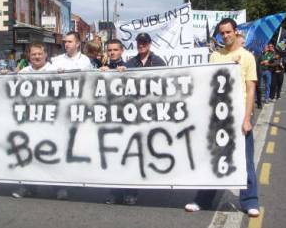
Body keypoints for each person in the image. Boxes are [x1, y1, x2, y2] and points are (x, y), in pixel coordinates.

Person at [184, 18, 260, 218]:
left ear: (236, 32)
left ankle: (250, 201)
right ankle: (202, 199)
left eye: (228, 32)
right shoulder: (215, 56)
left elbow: (251, 89)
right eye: (222, 33)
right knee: (212, 158)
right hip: (218, 117)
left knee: (245, 161)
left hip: (239, 115)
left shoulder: (247, 57)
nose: (225, 36)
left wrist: (246, 118)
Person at [106, 33, 166, 206]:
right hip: (128, 116)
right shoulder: (130, 63)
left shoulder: (159, 62)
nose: (142, 45)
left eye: (144, 42)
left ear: (149, 44)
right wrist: (110, 73)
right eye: (139, 42)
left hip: (150, 115)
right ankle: (115, 191)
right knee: (121, 155)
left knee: (136, 156)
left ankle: (132, 190)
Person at [51, 31, 93, 200]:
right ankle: (61, 185)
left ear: (78, 44)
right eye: (65, 41)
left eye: (69, 41)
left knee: (77, 146)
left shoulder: (85, 61)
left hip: (79, 111)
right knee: (61, 148)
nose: (66, 44)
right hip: (61, 112)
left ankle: (78, 178)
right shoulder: (56, 61)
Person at [11, 42, 57, 198]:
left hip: (51, 120)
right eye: (33, 54)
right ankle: (27, 186)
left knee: (53, 152)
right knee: (28, 153)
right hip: (29, 120)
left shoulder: (55, 71)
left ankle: (58, 187)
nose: (37, 57)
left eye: (39, 54)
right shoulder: (23, 72)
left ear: (45, 55)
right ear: (29, 56)